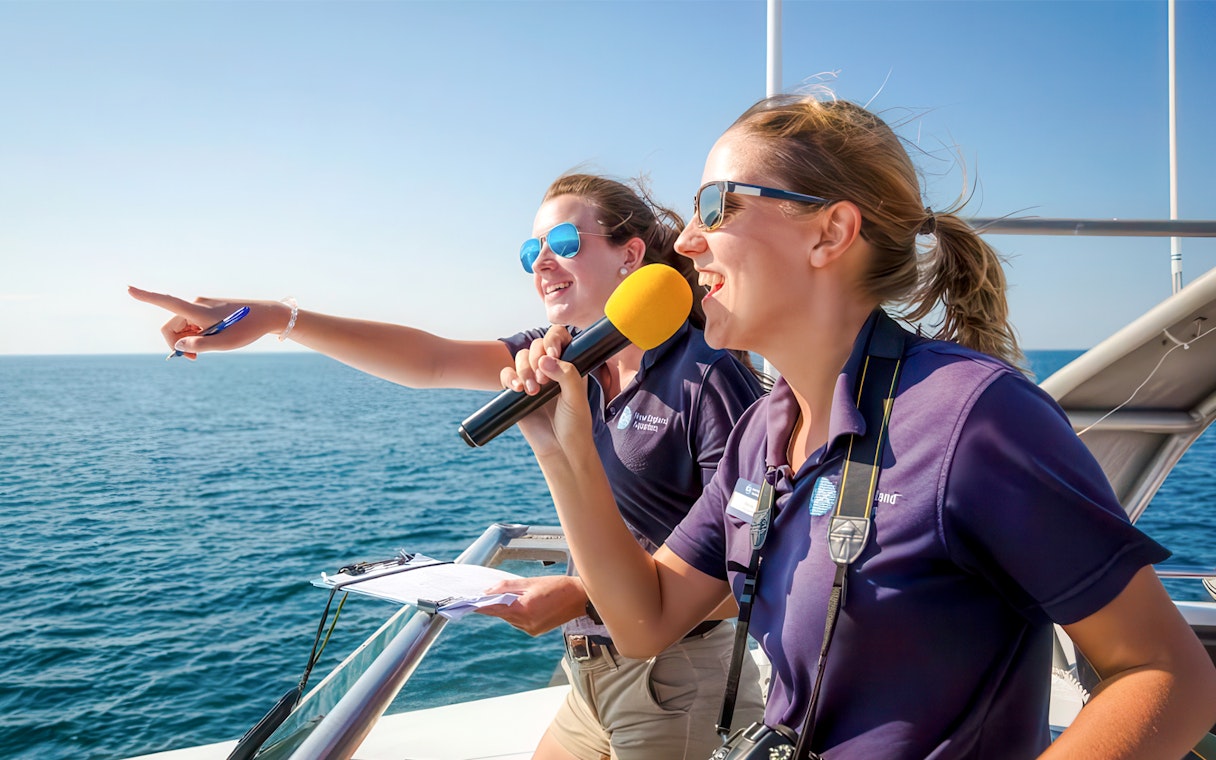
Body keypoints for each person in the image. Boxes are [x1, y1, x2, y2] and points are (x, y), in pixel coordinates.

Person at [502, 96, 1216, 759]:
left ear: (831, 233)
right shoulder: (763, 433)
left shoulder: (973, 416)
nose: (686, 242)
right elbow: (643, 620)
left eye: (716, 207)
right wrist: (561, 448)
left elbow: (1166, 673)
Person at [129, 172, 767, 760]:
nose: (541, 263)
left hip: (678, 681)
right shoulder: (564, 358)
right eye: (530, 251)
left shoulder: (704, 376)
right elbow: (429, 360)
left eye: (565, 242)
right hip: (590, 674)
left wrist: (582, 593)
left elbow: (753, 574)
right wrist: (276, 319)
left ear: (630, 256)